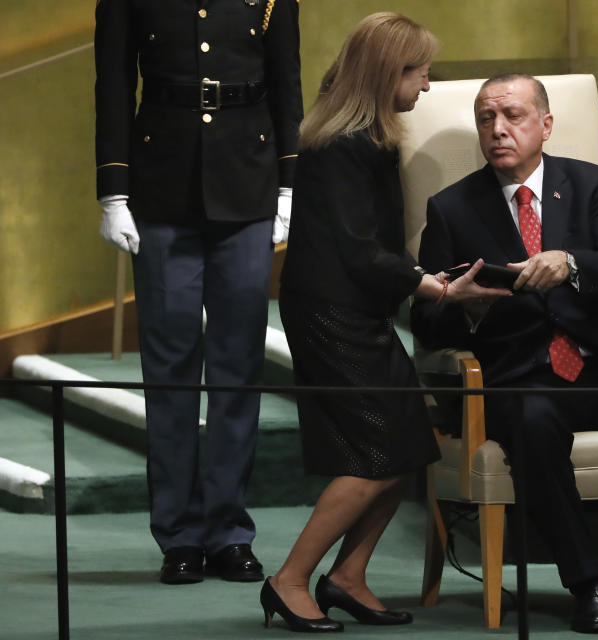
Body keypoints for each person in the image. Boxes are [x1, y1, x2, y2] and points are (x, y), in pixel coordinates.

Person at [410, 74, 598, 633]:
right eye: (485, 118)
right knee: (533, 419)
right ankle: (585, 584)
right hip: (518, 376)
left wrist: (573, 263)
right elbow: (425, 322)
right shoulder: (452, 208)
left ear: (545, 125)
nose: (497, 129)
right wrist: (464, 303)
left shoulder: (591, 185)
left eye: (513, 116)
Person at [262, 13, 510, 633]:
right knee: (375, 452)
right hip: (331, 314)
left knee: (406, 446)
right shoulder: (343, 146)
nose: (426, 86)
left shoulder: (364, 137)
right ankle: (288, 580)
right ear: (385, 72)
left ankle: (347, 577)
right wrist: (438, 287)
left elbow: (370, 251)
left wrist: (430, 282)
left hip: (355, 309)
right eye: (419, 73)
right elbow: (359, 250)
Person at [93, 0, 303, 584]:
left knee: (238, 366)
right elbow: (113, 84)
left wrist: (290, 185)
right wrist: (113, 190)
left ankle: (229, 531)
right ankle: (179, 536)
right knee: (171, 369)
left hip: (249, 183)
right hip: (162, 188)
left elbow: (286, 84)